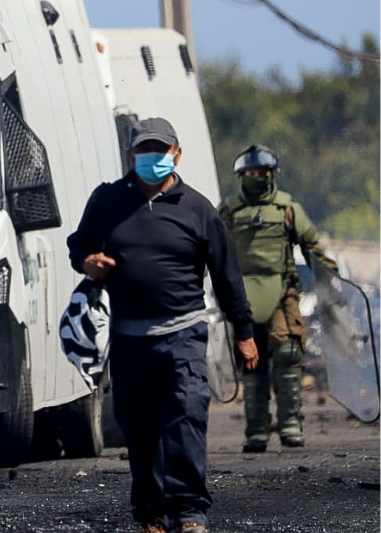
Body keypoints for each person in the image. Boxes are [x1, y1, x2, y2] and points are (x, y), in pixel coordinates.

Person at [66, 118, 258, 533]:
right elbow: (79, 244)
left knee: (186, 419)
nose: (151, 158)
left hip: (183, 334)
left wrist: (244, 331)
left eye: (160, 150)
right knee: (140, 429)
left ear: (176, 154)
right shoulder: (107, 201)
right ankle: (152, 512)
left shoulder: (197, 208)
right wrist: (88, 263)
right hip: (129, 337)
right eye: (143, 150)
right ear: (132, 155)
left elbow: (226, 272)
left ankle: (189, 512)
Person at [218, 144, 338, 452]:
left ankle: (290, 425)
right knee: (251, 362)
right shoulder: (229, 211)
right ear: (242, 176)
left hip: (282, 293)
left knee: (287, 355)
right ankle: (256, 431)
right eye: (252, 173)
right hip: (242, 297)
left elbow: (312, 246)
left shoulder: (288, 209)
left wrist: (332, 281)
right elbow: (213, 252)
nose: (258, 177)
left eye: (263, 173)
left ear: (273, 174)